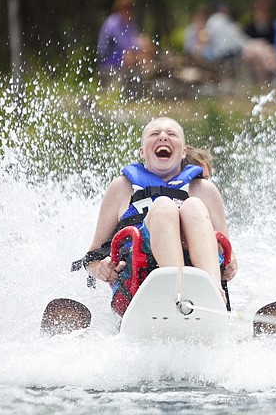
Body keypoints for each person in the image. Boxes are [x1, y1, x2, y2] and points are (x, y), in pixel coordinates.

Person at [78, 117, 238, 312]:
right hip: (138, 275)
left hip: (198, 268)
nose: (163, 137)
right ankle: (178, 291)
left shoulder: (205, 190)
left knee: (194, 206)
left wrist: (231, 267)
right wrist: (101, 269)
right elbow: (91, 258)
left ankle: (213, 293)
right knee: (163, 206)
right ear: (143, 152)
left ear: (183, 152)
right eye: (154, 134)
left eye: (171, 134)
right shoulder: (121, 187)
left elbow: (228, 256)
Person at [205, 0, 276, 82]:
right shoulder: (222, 20)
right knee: (262, 47)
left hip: (228, 51)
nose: (228, 9)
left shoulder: (212, 21)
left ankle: (267, 77)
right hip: (230, 51)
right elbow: (236, 39)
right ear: (220, 9)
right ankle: (272, 74)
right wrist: (249, 44)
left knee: (260, 50)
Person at [96, 0, 156, 89]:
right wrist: (143, 45)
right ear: (120, 9)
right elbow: (125, 44)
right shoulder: (113, 22)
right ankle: (132, 87)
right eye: (127, 9)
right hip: (109, 59)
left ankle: (143, 85)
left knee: (142, 54)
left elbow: (135, 39)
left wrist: (146, 44)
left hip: (120, 56)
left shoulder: (128, 23)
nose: (130, 12)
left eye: (131, 9)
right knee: (131, 56)